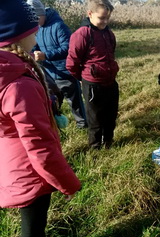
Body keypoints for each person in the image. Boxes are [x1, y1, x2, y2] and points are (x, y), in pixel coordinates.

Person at [0, 1, 81, 237]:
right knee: (33, 225)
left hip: (12, 163)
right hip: (29, 172)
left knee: (34, 223)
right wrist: (66, 181)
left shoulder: (8, 70)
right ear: (19, 36)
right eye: (33, 32)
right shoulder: (19, 85)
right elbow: (39, 145)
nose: (37, 36)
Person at [66, 0, 119, 149]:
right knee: (95, 119)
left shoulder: (108, 33)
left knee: (111, 115)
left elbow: (112, 52)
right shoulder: (82, 34)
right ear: (90, 14)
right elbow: (72, 63)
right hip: (92, 84)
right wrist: (83, 78)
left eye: (107, 18)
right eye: (101, 18)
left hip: (110, 82)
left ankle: (108, 142)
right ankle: (95, 147)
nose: (105, 21)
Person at [28, 0, 87, 129]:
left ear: (42, 13)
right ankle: (57, 123)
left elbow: (68, 48)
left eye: (37, 18)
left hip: (65, 71)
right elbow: (35, 46)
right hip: (49, 74)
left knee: (74, 102)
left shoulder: (58, 26)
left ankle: (82, 124)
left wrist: (46, 55)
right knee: (54, 101)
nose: (36, 22)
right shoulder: (37, 29)